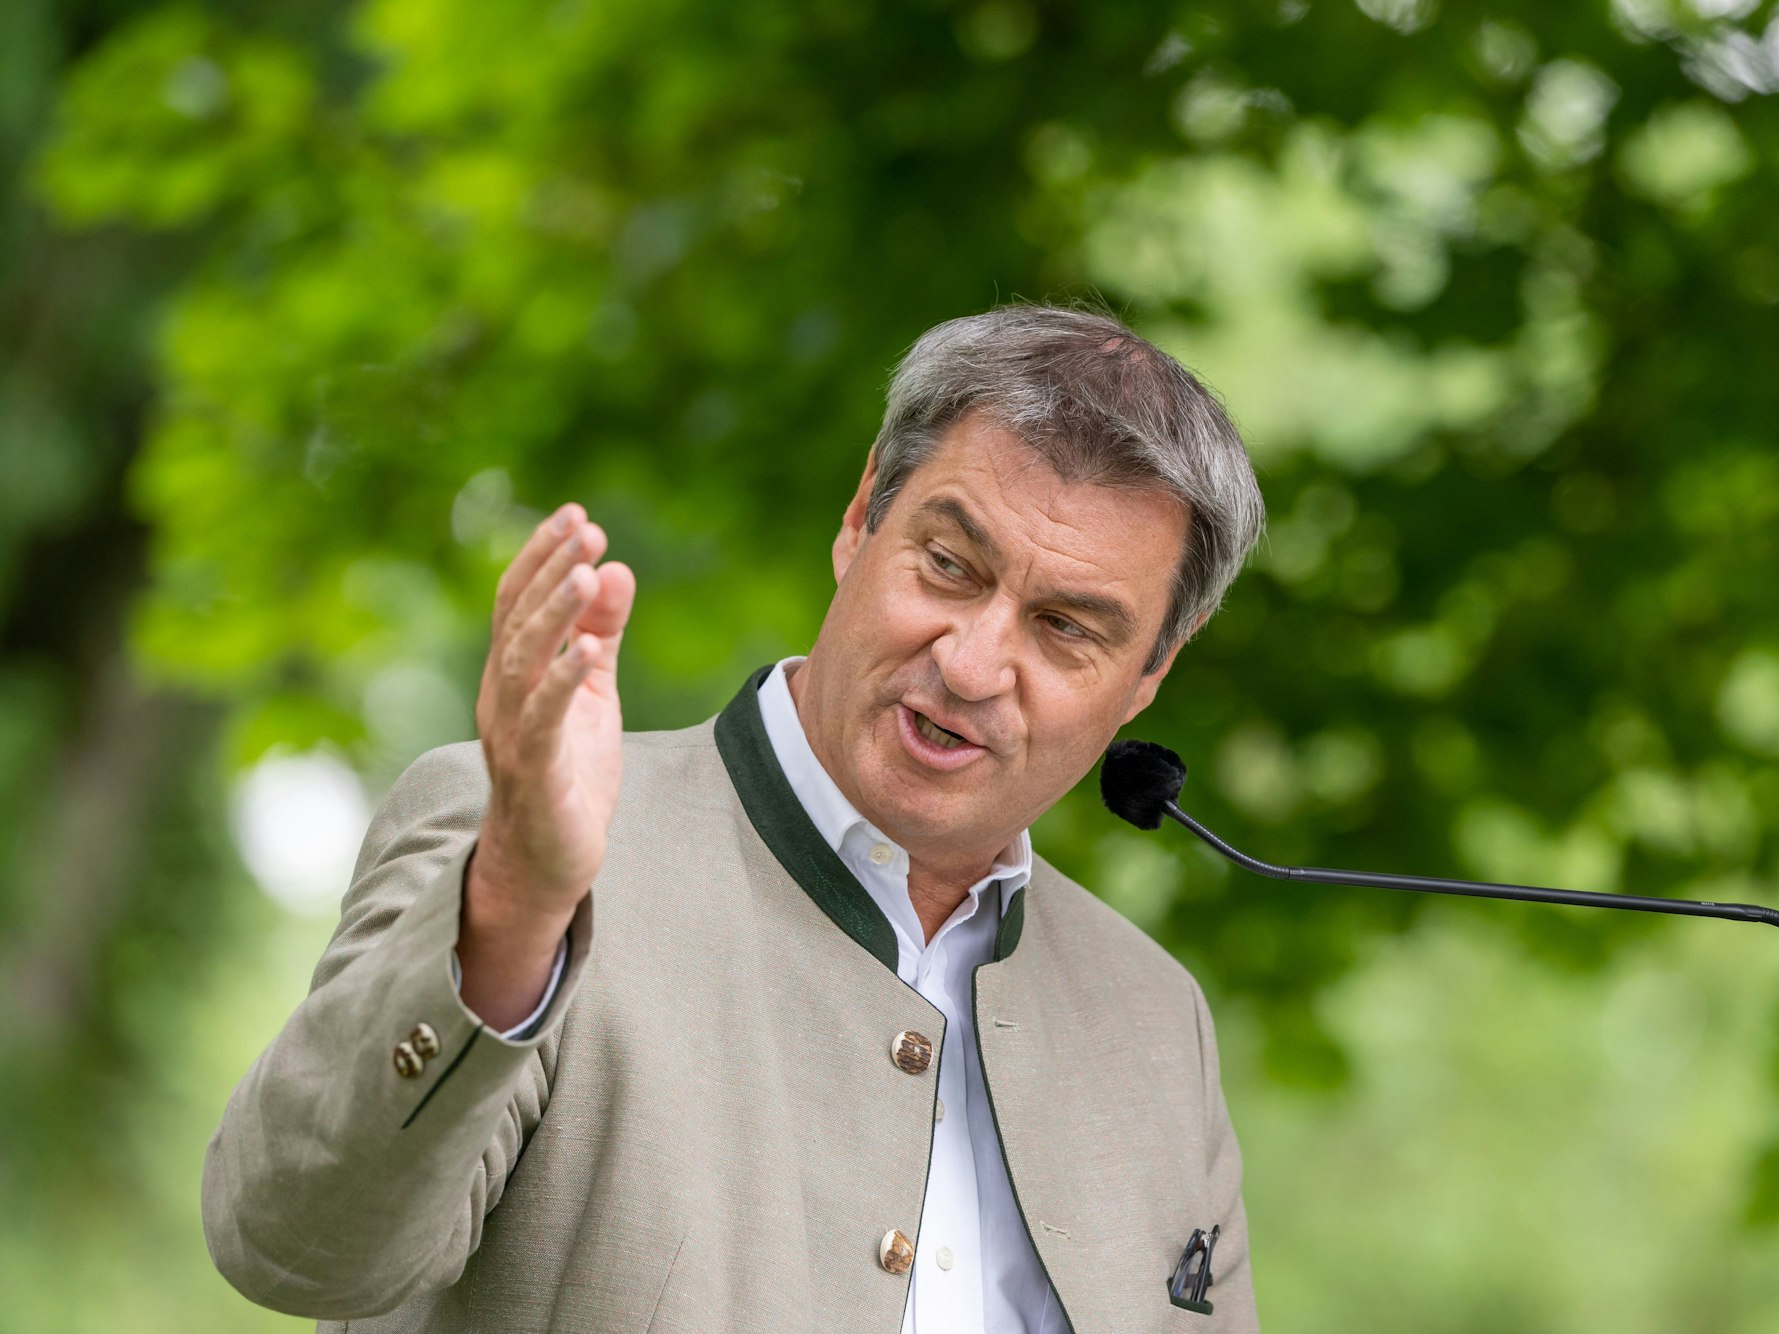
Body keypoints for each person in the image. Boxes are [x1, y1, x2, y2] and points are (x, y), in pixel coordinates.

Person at [201, 303, 1268, 1333]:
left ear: (1150, 673)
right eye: (949, 564)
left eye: (1067, 626)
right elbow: (292, 1243)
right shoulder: (511, 839)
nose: (972, 662)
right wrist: (516, 902)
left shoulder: (1156, 1019)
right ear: (862, 518)